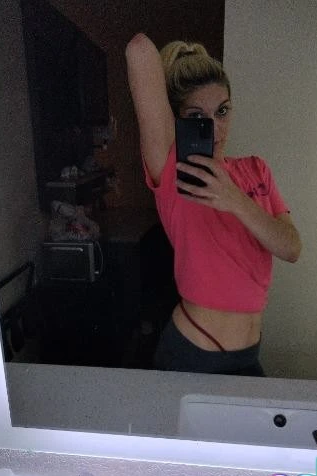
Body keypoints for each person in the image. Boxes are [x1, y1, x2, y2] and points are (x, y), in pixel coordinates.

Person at [125, 34, 302, 376]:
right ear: (178, 122)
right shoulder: (175, 172)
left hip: (248, 354)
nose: (216, 128)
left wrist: (234, 199)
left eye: (222, 111)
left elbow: (291, 248)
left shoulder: (256, 169)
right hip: (193, 353)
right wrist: (180, 59)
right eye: (198, 116)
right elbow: (138, 48)